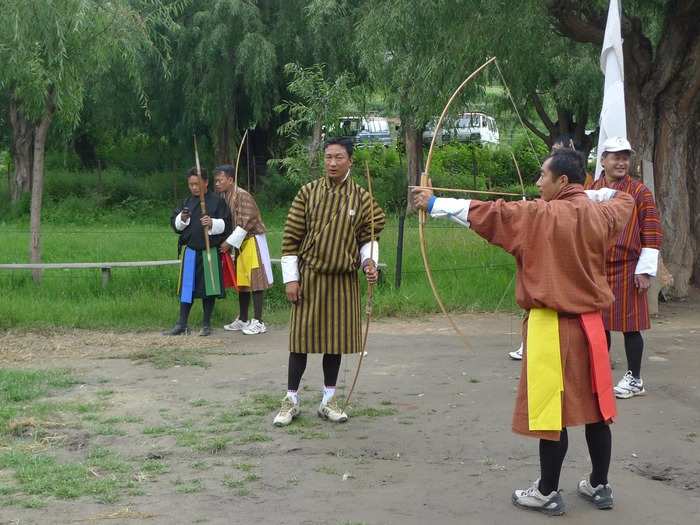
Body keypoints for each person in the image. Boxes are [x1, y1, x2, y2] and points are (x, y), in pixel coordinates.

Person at [414, 149, 634, 515]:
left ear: (562, 181)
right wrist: (585, 194)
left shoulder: (538, 215)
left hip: (552, 324)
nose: (537, 183)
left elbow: (489, 214)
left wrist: (434, 201)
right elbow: (623, 198)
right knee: (598, 410)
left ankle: (547, 492)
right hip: (592, 327)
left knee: (552, 412)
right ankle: (600, 485)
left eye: (543, 177)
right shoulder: (603, 212)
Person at [273, 137, 385, 427]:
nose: (332, 163)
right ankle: (291, 400)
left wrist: (369, 263)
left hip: (343, 280)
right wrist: (291, 280)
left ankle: (328, 400)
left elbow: (369, 237)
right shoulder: (307, 193)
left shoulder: (362, 198)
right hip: (309, 277)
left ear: (350, 160)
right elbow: (290, 239)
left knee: (334, 342)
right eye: (328, 157)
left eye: (338, 157)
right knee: (300, 341)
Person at [587, 137, 663, 399]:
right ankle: (600, 374)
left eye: (625, 157)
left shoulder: (640, 191)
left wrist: (644, 270)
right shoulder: (592, 190)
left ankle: (635, 378)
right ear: (603, 160)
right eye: (615, 156)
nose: (621, 162)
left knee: (631, 325)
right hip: (596, 266)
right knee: (599, 323)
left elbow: (652, 232)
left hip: (629, 267)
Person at [165, 168, 231, 337]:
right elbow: (175, 224)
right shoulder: (186, 202)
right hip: (191, 252)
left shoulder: (218, 202)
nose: (194, 187)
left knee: (209, 289)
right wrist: (182, 219)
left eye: (197, 184)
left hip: (210, 251)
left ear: (206, 183)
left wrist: (212, 223)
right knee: (187, 290)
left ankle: (206, 324)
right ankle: (181, 324)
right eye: (191, 184)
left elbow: (227, 225)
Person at [214, 165, 273, 335]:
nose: (217, 184)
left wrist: (228, 243)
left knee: (256, 280)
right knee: (243, 281)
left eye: (220, 180)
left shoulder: (242, 195)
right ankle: (243, 319)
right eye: (216, 181)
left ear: (230, 180)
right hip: (241, 243)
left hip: (252, 240)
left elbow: (246, 223)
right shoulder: (226, 196)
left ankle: (259, 321)